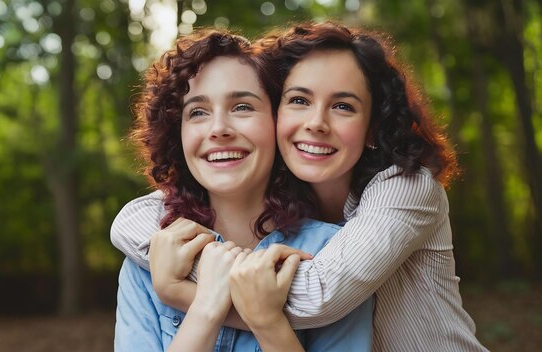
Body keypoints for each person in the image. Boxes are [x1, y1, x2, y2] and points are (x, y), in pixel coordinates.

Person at [112, 21, 488, 351]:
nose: (316, 123)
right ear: (279, 117)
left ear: (373, 128)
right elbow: (133, 220)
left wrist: (180, 290)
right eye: (298, 100)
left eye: (343, 106)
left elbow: (318, 297)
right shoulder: (292, 197)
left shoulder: (403, 191)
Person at [114, 28, 373, 351]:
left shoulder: (332, 255)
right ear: (177, 136)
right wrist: (206, 308)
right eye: (197, 112)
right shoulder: (150, 261)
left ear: (278, 121)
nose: (219, 129)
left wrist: (268, 322)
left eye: (242, 107)